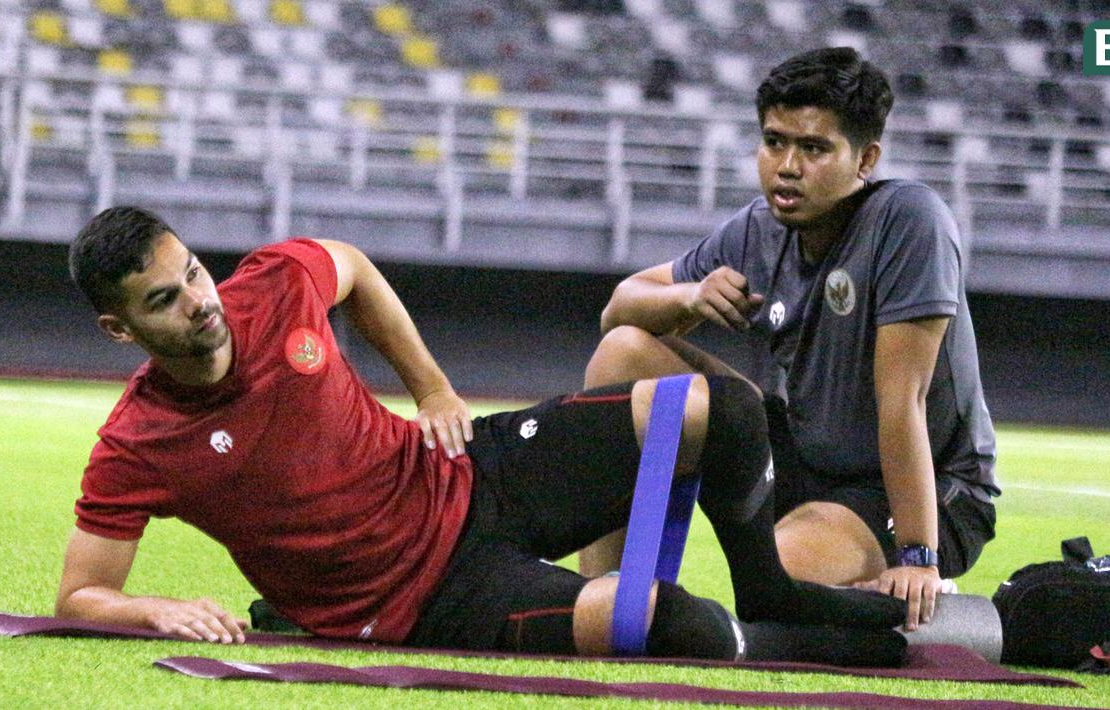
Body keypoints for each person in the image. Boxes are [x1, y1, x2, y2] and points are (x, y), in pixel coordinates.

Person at [55, 206, 906, 664]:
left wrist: (430, 390)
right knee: (669, 625)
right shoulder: (137, 443)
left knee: (718, 407)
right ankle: (789, 637)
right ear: (116, 328)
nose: (200, 301)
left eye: (193, 273)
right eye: (163, 299)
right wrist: (153, 610)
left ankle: (767, 588)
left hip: (463, 469)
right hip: (416, 597)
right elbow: (80, 595)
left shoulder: (271, 283)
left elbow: (349, 265)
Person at [581, 47, 999, 632]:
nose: (787, 166)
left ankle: (893, 589)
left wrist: (919, 559)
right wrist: (688, 297)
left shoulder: (910, 221)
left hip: (915, 491)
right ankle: (602, 600)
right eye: (775, 141)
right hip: (799, 455)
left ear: (865, 159)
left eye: (814, 148)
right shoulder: (760, 226)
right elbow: (618, 309)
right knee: (625, 349)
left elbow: (901, 401)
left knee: (776, 578)